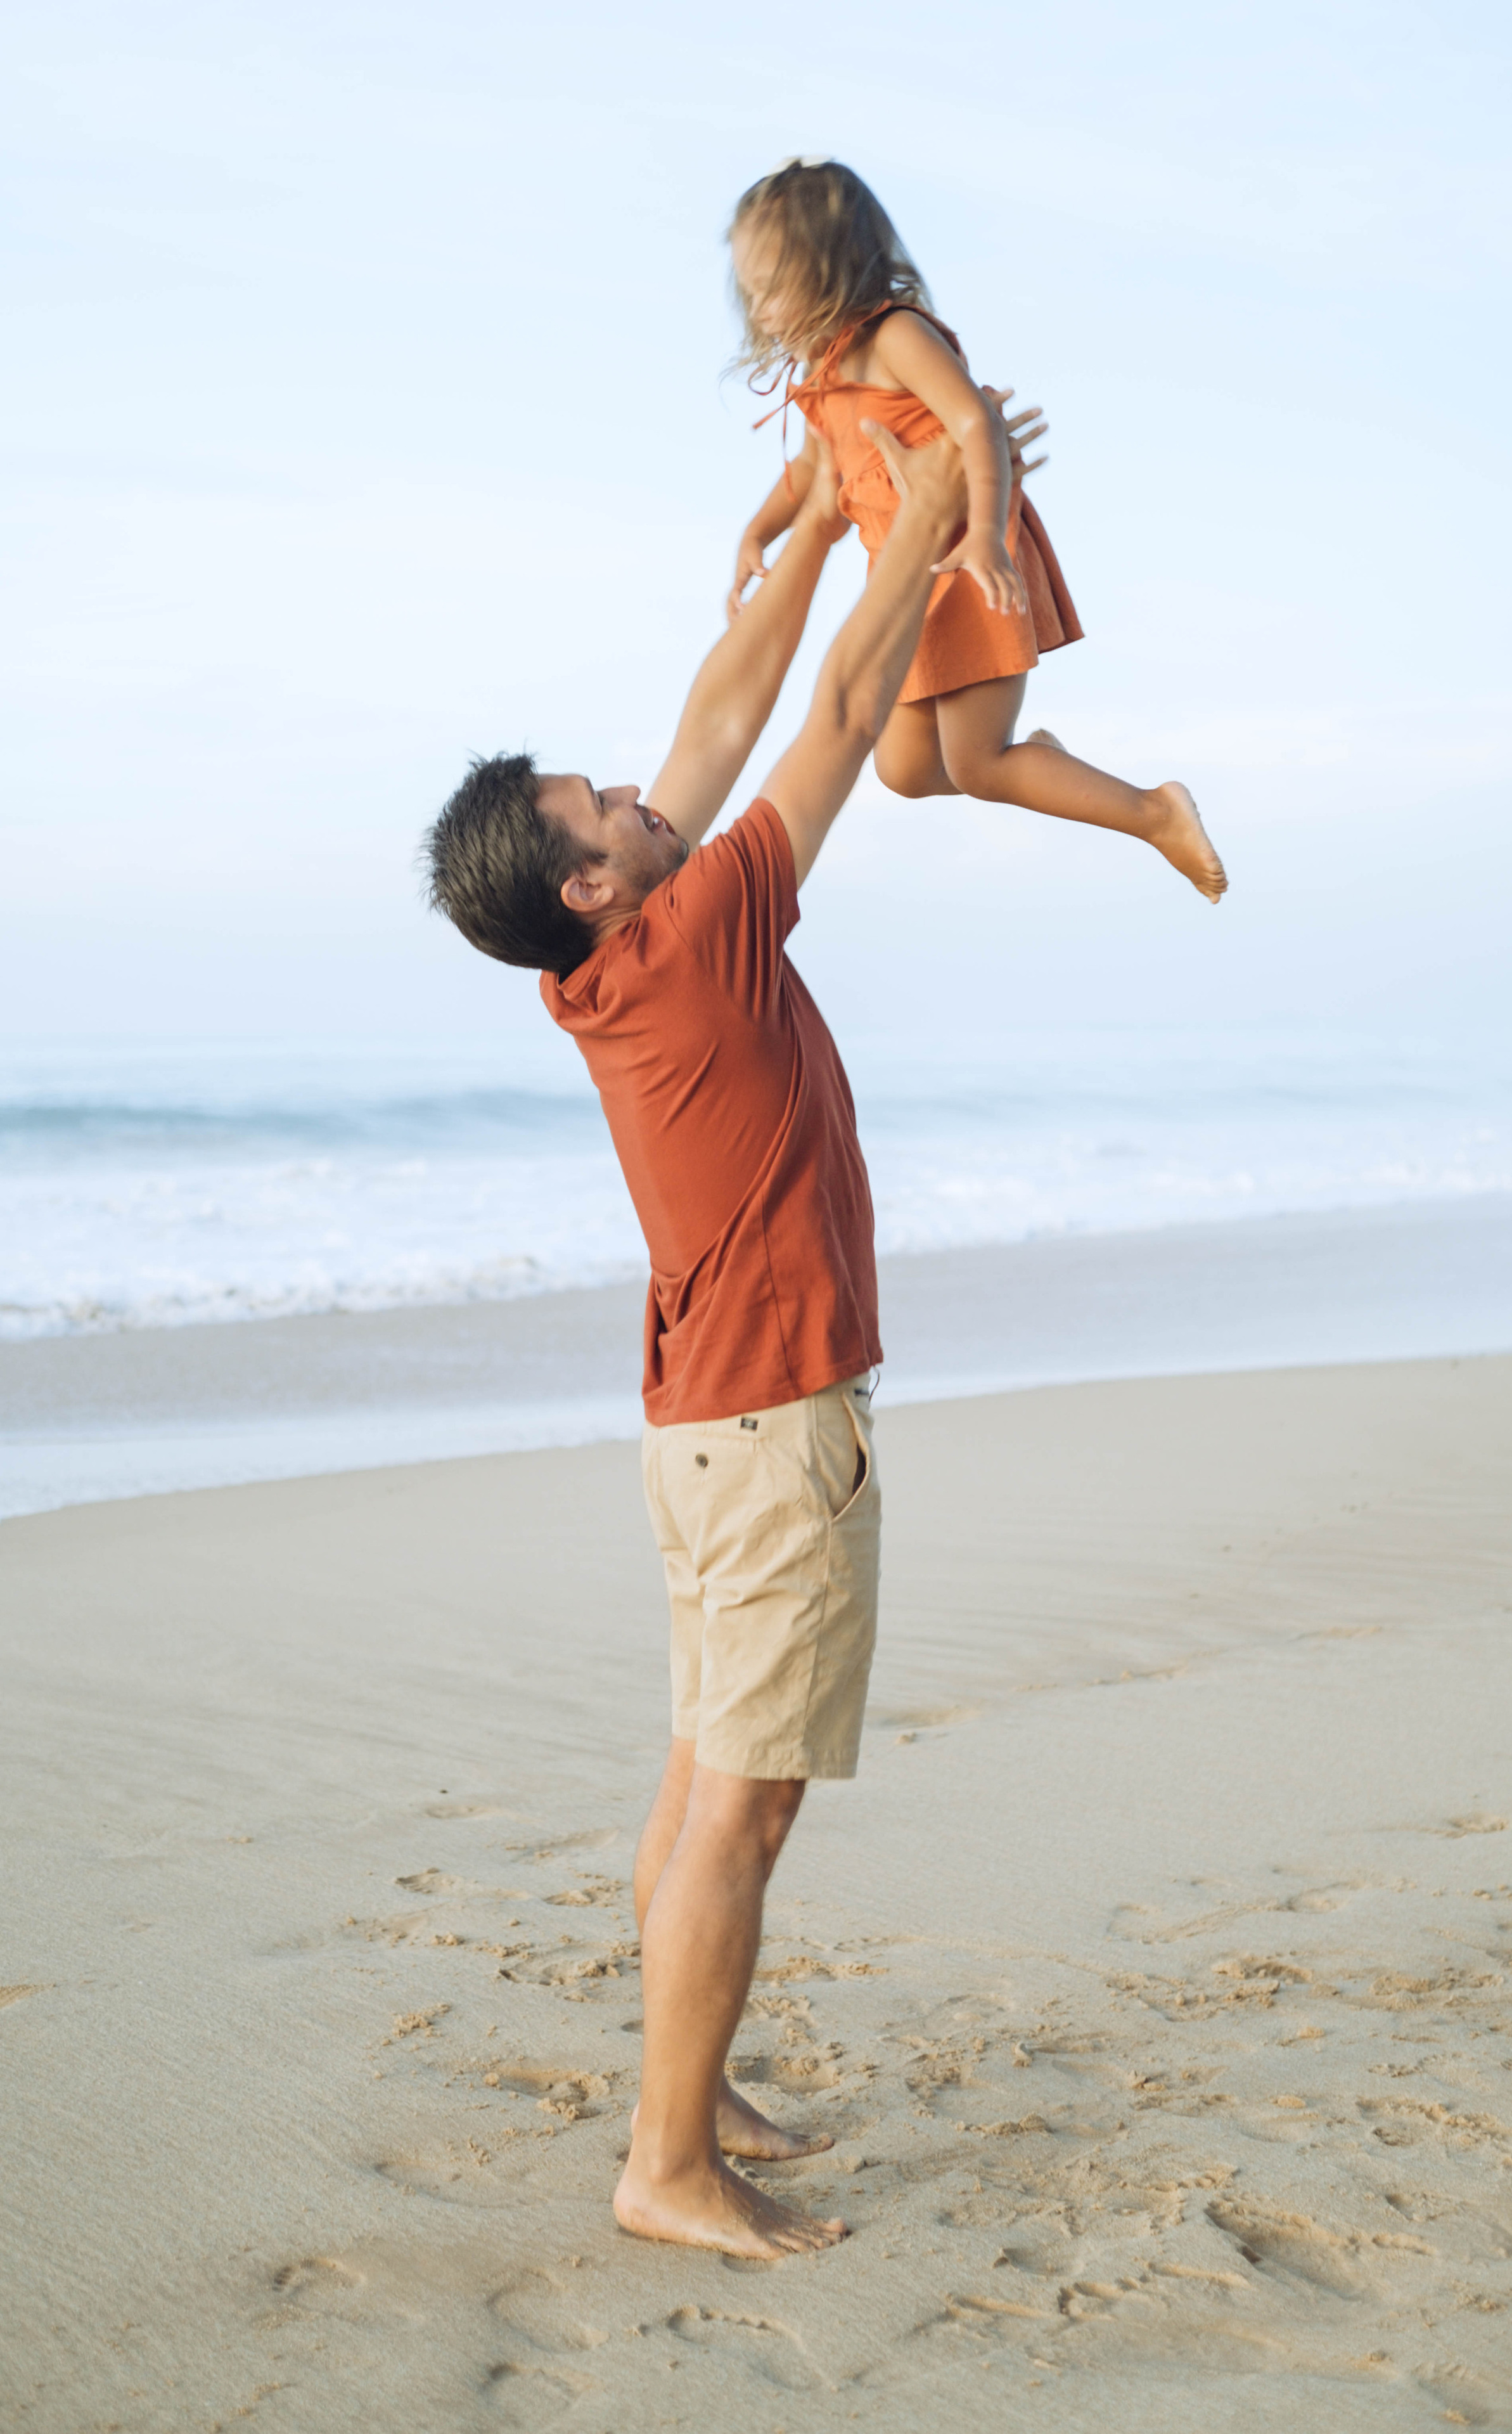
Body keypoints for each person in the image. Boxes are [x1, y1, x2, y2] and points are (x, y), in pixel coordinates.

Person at [423, 404, 1040, 2259]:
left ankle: (692, 2091)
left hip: (702, 1428)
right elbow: (840, 713)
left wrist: (806, 535)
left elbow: (730, 692)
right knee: (739, 1815)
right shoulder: (690, 931)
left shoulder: (595, 962)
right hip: (767, 1430)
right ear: (598, 886)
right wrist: (927, 507)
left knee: (701, 1776)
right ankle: (666, 2165)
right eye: (592, 810)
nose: (624, 784)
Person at [727, 155, 1227, 904]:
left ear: (829, 268)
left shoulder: (896, 336)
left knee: (979, 765)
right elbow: (811, 476)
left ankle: (1155, 813)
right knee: (902, 772)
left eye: (771, 287)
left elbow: (977, 426)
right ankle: (1046, 765)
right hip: (905, 586)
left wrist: (989, 534)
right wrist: (755, 534)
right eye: (750, 293)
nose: (760, 310)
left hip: (966, 560)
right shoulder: (822, 376)